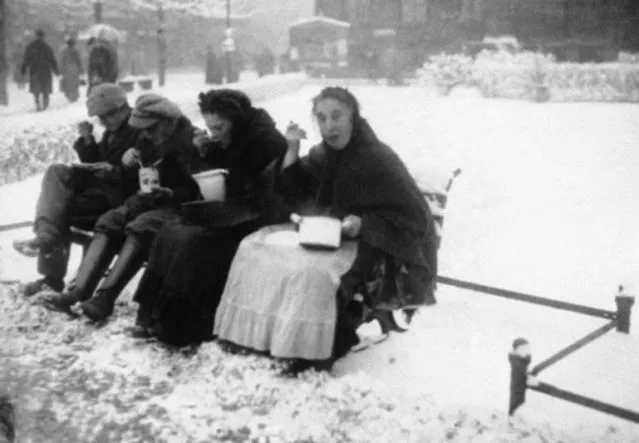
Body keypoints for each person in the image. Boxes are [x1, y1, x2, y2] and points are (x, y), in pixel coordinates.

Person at [213, 86, 439, 373]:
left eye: (336, 116)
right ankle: (262, 337)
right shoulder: (326, 154)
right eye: (321, 118)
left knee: (313, 275)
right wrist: (292, 150)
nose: (329, 126)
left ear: (353, 118)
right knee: (254, 249)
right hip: (332, 237)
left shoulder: (379, 158)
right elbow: (295, 191)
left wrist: (364, 224)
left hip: (379, 246)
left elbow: (416, 217)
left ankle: (318, 347)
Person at [130, 89, 288, 346]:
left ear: (236, 120)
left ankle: (179, 325)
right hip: (236, 210)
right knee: (171, 230)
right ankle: (148, 314)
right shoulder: (234, 137)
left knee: (191, 239)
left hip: (262, 216)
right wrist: (207, 153)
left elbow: (252, 184)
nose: (214, 133)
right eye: (210, 127)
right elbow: (226, 173)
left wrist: (214, 156)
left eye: (219, 127)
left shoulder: (265, 140)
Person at [43, 94, 202, 321]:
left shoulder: (191, 141)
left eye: (151, 129)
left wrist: (172, 193)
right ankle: (79, 290)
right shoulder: (149, 139)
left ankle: (105, 298)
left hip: (177, 206)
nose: (145, 135)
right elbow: (137, 176)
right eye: (144, 130)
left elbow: (200, 187)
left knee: (140, 227)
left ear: (169, 121)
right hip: (147, 200)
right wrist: (128, 165)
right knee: (110, 220)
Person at [13, 83, 143, 296]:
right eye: (99, 118)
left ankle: (52, 276)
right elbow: (99, 160)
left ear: (122, 108)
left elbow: (146, 174)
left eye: (106, 116)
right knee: (56, 172)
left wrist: (115, 171)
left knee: (61, 210)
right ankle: (46, 235)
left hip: (121, 199)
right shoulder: (114, 131)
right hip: (104, 190)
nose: (102, 122)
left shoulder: (138, 130)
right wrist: (88, 140)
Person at [20, 29, 59, 111]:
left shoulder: (30, 46)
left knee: (36, 88)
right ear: (43, 36)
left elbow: (26, 59)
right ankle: (45, 104)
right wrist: (56, 70)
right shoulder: (47, 47)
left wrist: (24, 68)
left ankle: (37, 103)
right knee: (45, 88)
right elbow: (52, 59)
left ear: (36, 35)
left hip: (34, 70)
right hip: (45, 71)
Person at [59, 36, 83, 102]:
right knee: (75, 84)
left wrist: (61, 70)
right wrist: (81, 70)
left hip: (67, 69)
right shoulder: (76, 51)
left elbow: (62, 61)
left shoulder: (64, 51)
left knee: (68, 84)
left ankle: (69, 95)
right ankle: (74, 96)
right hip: (75, 69)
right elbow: (79, 61)